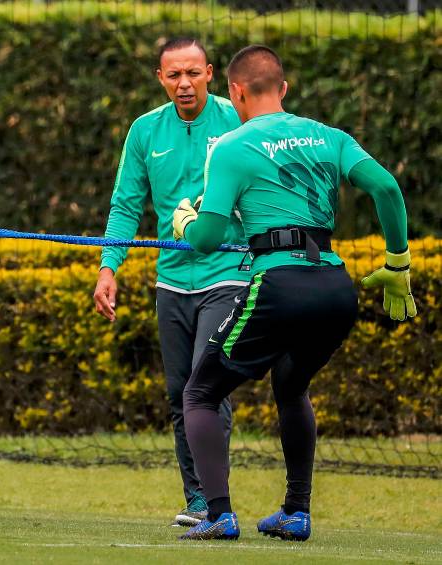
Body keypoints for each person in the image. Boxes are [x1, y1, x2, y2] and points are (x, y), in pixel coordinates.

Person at [173, 45, 416, 541]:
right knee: (290, 384)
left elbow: (208, 238)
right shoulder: (331, 137)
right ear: (283, 89)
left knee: (199, 393)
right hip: (334, 287)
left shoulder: (231, 146)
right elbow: (388, 189)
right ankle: (295, 511)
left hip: (279, 285)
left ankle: (218, 515)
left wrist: (185, 222)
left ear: (235, 92)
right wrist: (398, 263)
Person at [93, 37, 250, 526]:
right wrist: (108, 267)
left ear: (210, 73)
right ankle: (198, 500)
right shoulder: (145, 131)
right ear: (160, 78)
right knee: (181, 392)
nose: (184, 83)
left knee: (206, 385)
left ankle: (216, 500)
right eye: (174, 75)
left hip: (229, 274)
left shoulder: (238, 120)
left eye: (193, 73)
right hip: (172, 282)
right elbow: (125, 206)